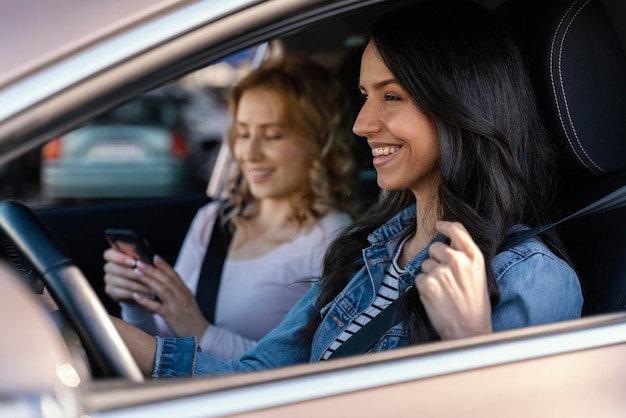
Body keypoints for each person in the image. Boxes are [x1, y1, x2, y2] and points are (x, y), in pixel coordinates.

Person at [113, 0, 583, 376]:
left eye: (391, 96)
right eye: (364, 96)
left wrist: (469, 345)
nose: (361, 124)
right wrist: (98, 330)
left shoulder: (529, 277)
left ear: (458, 105)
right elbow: (253, 378)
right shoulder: (362, 251)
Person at [104, 58, 357, 360]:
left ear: (318, 141)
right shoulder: (213, 221)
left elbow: (302, 367)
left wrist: (201, 332)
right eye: (244, 133)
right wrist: (135, 302)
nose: (249, 153)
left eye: (272, 135)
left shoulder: (334, 240)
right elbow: (163, 344)